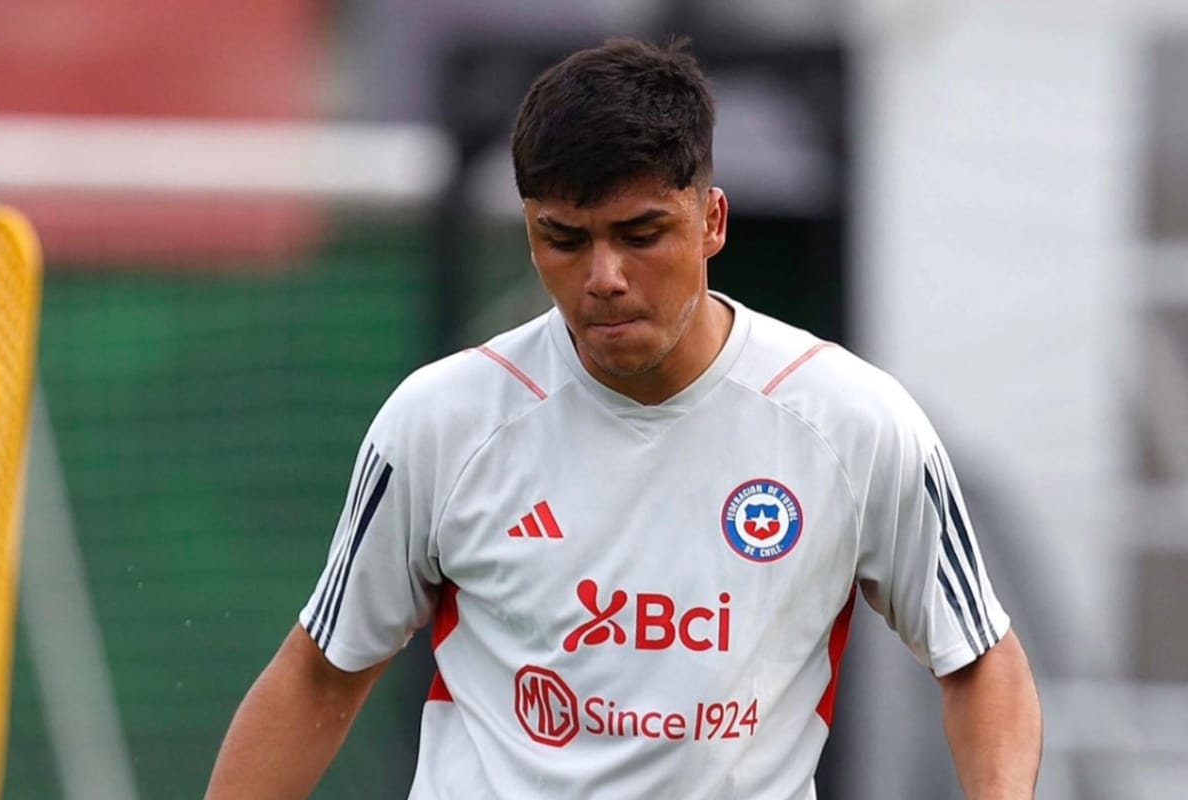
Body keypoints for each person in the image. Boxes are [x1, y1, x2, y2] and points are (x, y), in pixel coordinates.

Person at [206, 36, 1042, 800]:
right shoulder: (441, 422)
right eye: (563, 239)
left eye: (641, 233)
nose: (603, 276)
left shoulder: (853, 423)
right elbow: (320, 676)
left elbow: (979, 661)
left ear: (711, 220)